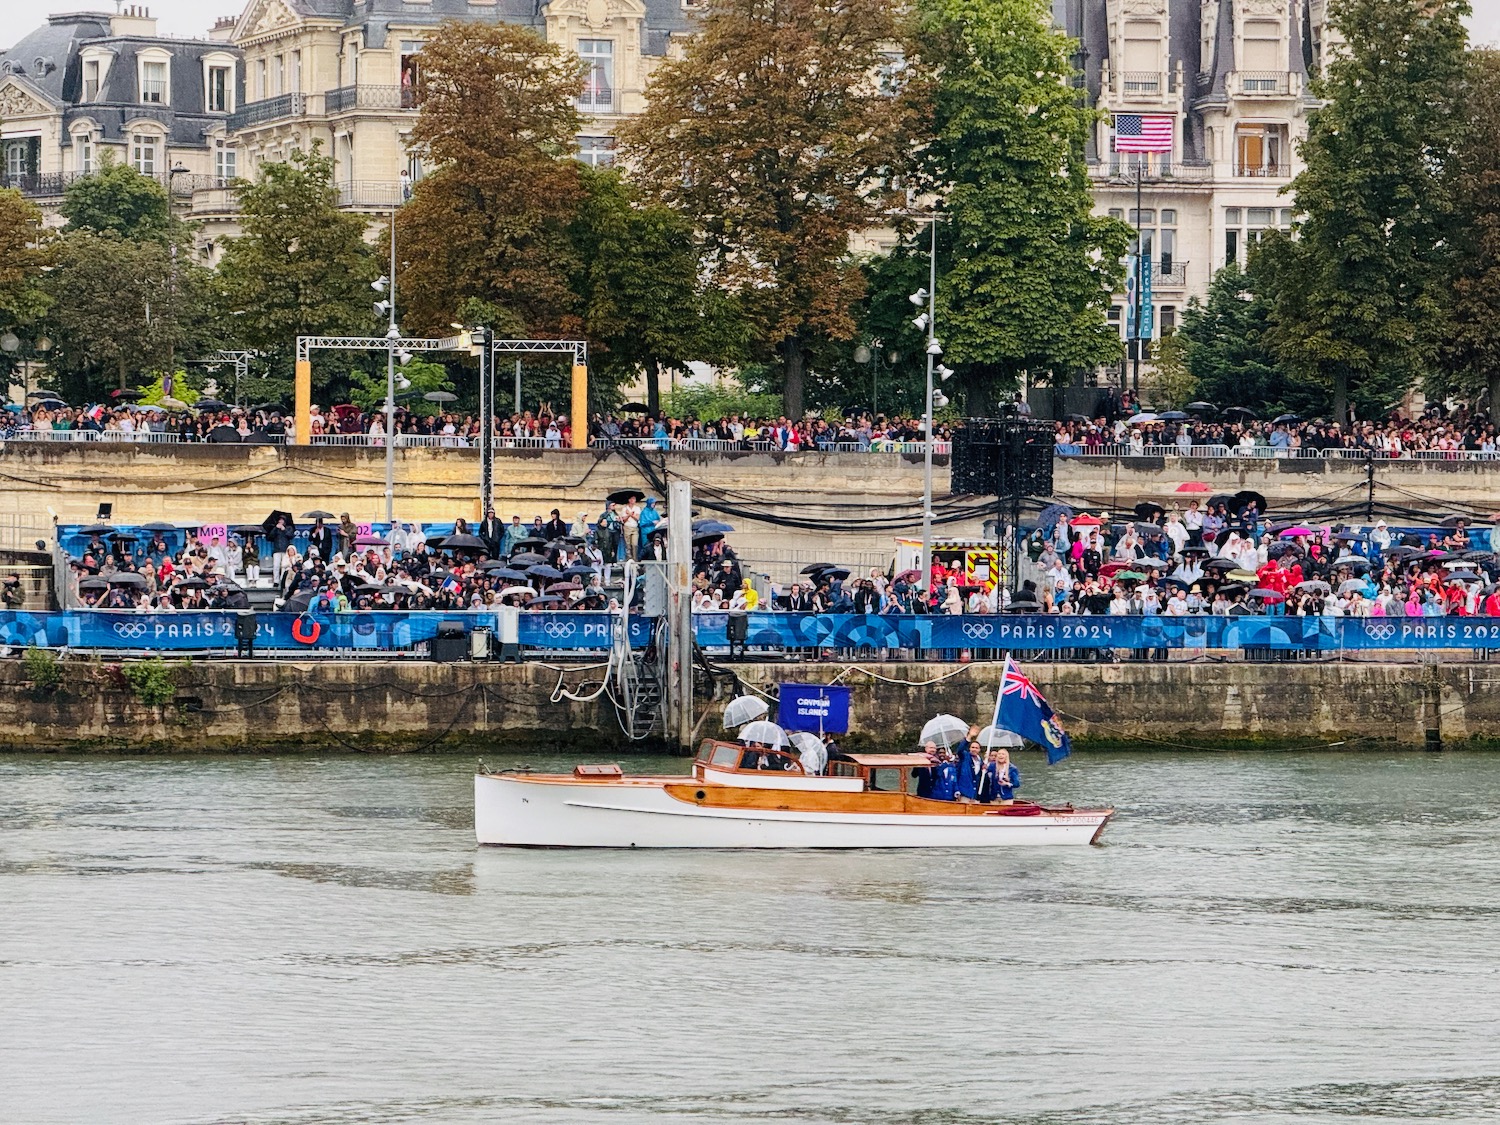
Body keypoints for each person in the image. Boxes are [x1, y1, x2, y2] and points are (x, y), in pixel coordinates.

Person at [954, 726, 982, 801]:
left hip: (975, 795)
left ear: (979, 750)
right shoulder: (965, 757)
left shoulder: (981, 762)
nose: (974, 749)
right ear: (969, 749)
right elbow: (960, 750)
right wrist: (969, 736)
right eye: (972, 747)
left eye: (976, 748)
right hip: (964, 793)